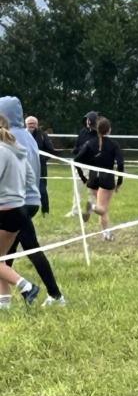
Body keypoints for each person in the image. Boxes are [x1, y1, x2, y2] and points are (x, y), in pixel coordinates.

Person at [0, 96, 65, 304]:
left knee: (31, 248)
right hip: (30, 198)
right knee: (5, 254)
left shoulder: (10, 138)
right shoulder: (27, 136)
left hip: (17, 201)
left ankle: (53, 294)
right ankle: (5, 300)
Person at [0, 115, 42, 308]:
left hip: (4, 211)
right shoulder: (17, 150)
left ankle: (25, 286)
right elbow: (30, 179)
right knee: (1, 261)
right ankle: (4, 304)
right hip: (19, 211)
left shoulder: (1, 151)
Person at [87, 117, 124, 240]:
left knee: (103, 208)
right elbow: (120, 164)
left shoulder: (91, 142)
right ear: (109, 130)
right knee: (101, 208)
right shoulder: (114, 144)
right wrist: (119, 182)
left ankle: (106, 234)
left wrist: (84, 175)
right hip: (106, 179)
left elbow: (78, 159)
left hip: (92, 178)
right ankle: (90, 207)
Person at [24, 115, 55, 213]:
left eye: (34, 124)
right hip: (25, 168)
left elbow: (50, 150)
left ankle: (45, 210)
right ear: (26, 125)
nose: (31, 125)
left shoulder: (43, 135)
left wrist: (41, 159)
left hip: (40, 168)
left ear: (37, 125)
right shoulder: (22, 135)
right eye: (29, 124)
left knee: (42, 190)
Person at [72, 110, 100, 216]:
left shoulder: (98, 134)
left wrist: (84, 149)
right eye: (87, 119)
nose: (88, 121)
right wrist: (78, 149)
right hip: (80, 165)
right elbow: (77, 146)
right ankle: (75, 211)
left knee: (92, 190)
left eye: (89, 120)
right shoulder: (83, 132)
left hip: (92, 166)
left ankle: (91, 210)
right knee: (77, 189)